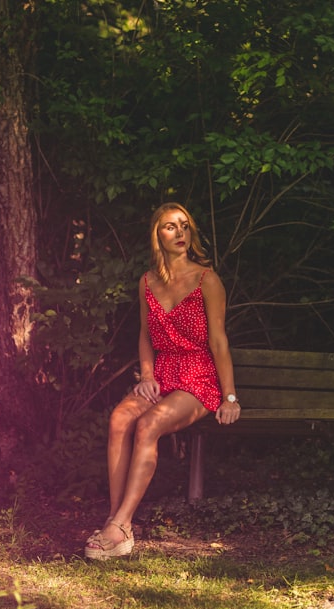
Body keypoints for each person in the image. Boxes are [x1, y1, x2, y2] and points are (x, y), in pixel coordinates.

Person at [84, 202, 241, 560]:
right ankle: (116, 522)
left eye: (185, 226)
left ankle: (121, 523)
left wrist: (229, 397)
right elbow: (144, 334)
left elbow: (218, 341)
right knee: (120, 418)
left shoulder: (207, 280)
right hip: (164, 374)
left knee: (149, 424)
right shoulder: (147, 282)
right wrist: (148, 375)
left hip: (199, 377)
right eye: (171, 227)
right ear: (157, 236)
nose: (180, 233)